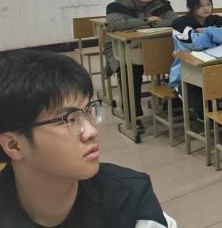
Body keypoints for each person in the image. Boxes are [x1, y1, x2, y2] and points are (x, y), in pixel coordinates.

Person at [0, 50, 176, 227]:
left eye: (88, 111)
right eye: (69, 119)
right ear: (14, 145)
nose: (91, 132)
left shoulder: (131, 200)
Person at [105, 0, 176, 134]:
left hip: (156, 46)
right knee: (130, 71)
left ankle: (174, 105)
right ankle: (133, 115)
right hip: (125, 49)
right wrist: (149, 20)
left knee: (177, 63)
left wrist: (141, 23)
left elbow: (173, 21)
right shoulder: (115, 7)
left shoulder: (162, 5)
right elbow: (117, 24)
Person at [171, 0, 222, 128]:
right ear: (191, 7)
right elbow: (196, 44)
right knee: (202, 104)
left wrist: (207, 31)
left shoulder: (217, 20)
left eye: (208, 4)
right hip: (188, 72)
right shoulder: (180, 24)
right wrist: (217, 36)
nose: (206, 8)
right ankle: (205, 121)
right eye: (200, 6)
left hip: (218, 66)